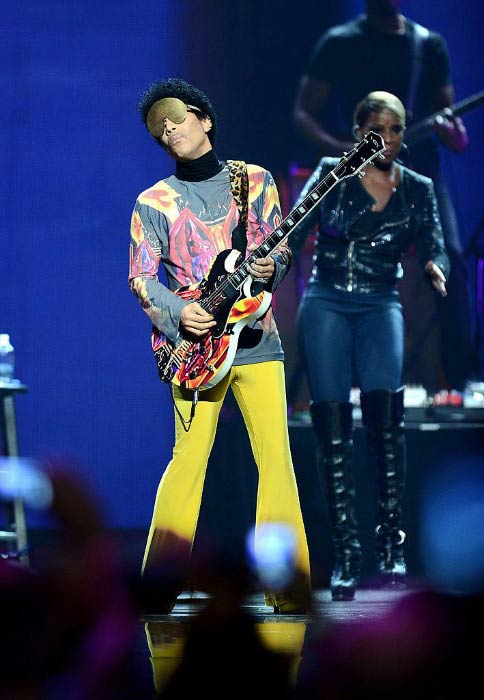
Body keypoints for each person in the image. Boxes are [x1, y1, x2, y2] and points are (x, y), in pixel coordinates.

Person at [128, 78, 312, 614]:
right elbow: (142, 277)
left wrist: (270, 265)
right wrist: (177, 312)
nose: (169, 129)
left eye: (176, 118)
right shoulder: (153, 202)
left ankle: (287, 584)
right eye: (159, 127)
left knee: (276, 460)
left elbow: (280, 247)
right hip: (194, 347)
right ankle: (159, 582)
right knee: (188, 460)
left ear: (205, 120)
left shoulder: (255, 182)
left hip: (258, 338)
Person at [288, 91, 449, 601]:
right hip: (329, 300)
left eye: (397, 131)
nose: (388, 140)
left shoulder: (416, 188)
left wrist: (434, 264)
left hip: (381, 303)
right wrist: (268, 273)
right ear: (359, 132)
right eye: (377, 131)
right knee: (332, 428)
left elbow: (435, 240)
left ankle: (392, 547)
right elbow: (294, 227)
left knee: (386, 422)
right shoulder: (332, 173)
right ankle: (345, 554)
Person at [292, 0, 475, 392]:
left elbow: (456, 134)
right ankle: (327, 386)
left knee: (451, 260)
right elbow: (304, 112)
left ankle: (460, 379)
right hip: (356, 177)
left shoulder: (428, 45)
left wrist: (452, 134)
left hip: (418, 174)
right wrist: (342, 150)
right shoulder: (340, 42)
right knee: (343, 266)